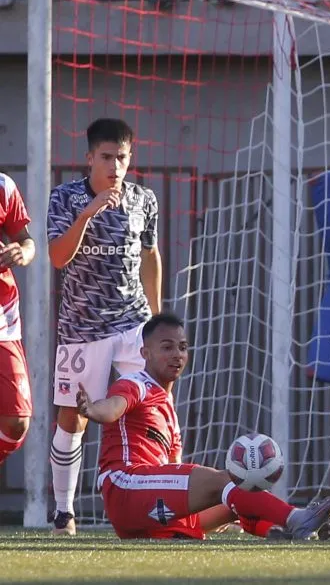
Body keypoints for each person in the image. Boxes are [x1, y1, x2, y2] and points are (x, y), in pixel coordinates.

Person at [76, 312, 330, 540]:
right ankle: (297, 517)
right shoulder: (135, 383)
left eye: (182, 347)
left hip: (151, 512)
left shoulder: (167, 407)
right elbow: (113, 407)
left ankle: (291, 530)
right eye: (167, 347)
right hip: (126, 488)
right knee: (227, 481)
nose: (177, 355)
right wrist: (92, 409)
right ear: (145, 352)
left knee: (236, 499)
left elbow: (174, 468)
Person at [46, 118, 163, 536]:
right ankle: (64, 513)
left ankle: (160, 505)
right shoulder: (65, 197)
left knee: (149, 410)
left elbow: (150, 255)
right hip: (83, 326)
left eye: (123, 158)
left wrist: (156, 318)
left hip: (132, 323)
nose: (115, 166)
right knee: (72, 418)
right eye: (107, 157)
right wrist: (88, 214)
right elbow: (58, 257)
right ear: (90, 158)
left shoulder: (143, 200)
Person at [0, 173, 36, 469]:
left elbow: (26, 242)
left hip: (3, 322)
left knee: (16, 421)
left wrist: (21, 252)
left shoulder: (3, 186)